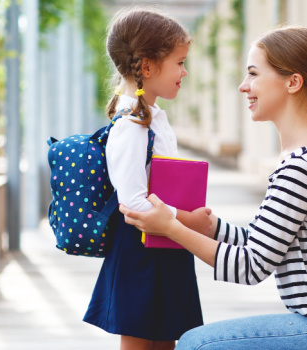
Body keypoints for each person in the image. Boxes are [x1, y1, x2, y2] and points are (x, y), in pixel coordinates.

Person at [119, 26, 307, 350]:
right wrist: (211, 228)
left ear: (293, 82)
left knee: (197, 345)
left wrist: (170, 228)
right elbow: (263, 242)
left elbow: (250, 267)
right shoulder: (306, 156)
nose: (243, 86)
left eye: (253, 74)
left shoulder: (301, 166)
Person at [82, 8, 212, 350]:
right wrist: (189, 221)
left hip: (164, 242)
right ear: (147, 67)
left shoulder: (149, 117)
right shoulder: (131, 126)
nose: (184, 72)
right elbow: (133, 204)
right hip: (141, 248)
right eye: (179, 62)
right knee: (140, 339)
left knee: (166, 338)